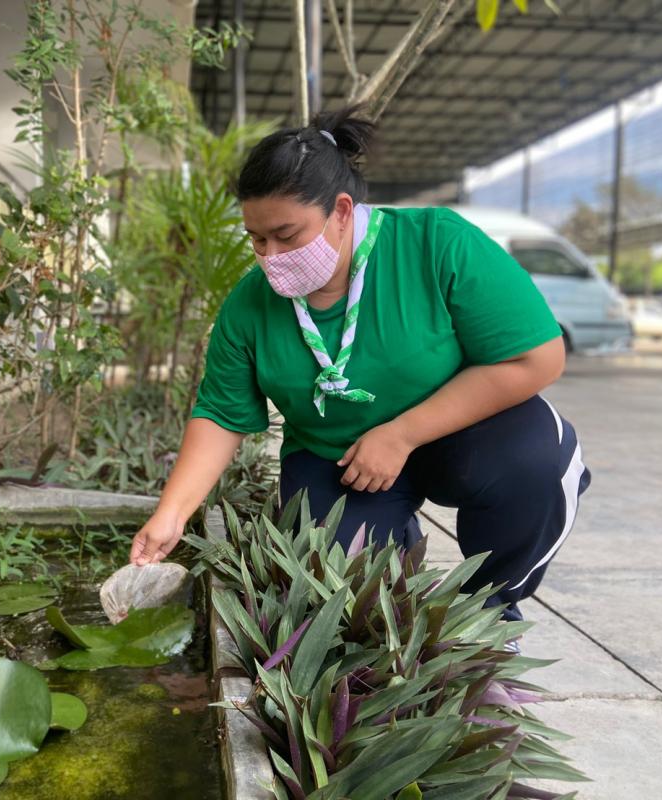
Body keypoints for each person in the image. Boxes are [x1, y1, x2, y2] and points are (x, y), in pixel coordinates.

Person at [128, 104, 591, 625]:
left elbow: (536, 358)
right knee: (332, 596)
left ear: (342, 211)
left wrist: (401, 434)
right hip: (340, 459)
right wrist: (171, 514)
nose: (270, 255)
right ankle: (392, 537)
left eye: (287, 234)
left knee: (535, 463)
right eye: (257, 238)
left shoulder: (436, 243)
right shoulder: (249, 305)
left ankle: (492, 611)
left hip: (460, 436)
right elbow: (221, 414)